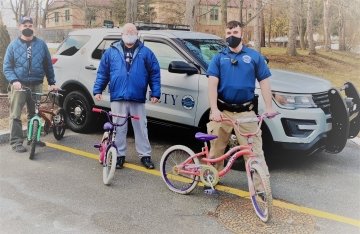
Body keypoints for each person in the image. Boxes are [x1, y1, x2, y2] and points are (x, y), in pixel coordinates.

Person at [206, 20, 277, 176]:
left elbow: (264, 82)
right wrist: (214, 109)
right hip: (223, 112)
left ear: (242, 34)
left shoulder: (254, 57)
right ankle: (211, 179)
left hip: (246, 113)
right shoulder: (218, 58)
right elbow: (212, 85)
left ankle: (260, 189)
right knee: (216, 151)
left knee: (254, 153)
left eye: (235, 33)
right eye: (229, 33)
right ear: (225, 35)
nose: (232, 36)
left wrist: (270, 107)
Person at [93, 23, 161, 170]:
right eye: (127, 31)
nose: (130, 34)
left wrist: (155, 92)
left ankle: (145, 156)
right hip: (118, 96)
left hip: (137, 97)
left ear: (137, 34)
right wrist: (98, 90)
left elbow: (154, 73)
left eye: (132, 31)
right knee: (118, 127)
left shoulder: (146, 52)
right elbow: (103, 72)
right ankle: (119, 155)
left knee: (141, 127)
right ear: (122, 33)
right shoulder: (111, 52)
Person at [3, 16, 57, 153]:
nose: (27, 27)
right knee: (15, 115)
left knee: (34, 113)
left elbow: (48, 65)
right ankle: (16, 142)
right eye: (24, 25)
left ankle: (33, 138)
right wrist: (14, 80)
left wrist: (52, 82)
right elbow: (7, 67)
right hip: (19, 86)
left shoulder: (41, 44)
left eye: (30, 25)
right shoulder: (13, 46)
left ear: (34, 27)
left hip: (37, 84)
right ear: (20, 27)